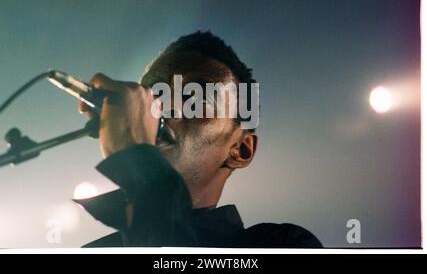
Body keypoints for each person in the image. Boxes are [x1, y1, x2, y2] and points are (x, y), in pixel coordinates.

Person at [75, 31, 322, 248]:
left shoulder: (281, 244)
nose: (165, 106)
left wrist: (140, 165)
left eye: (197, 98)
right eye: (155, 93)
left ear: (240, 150)